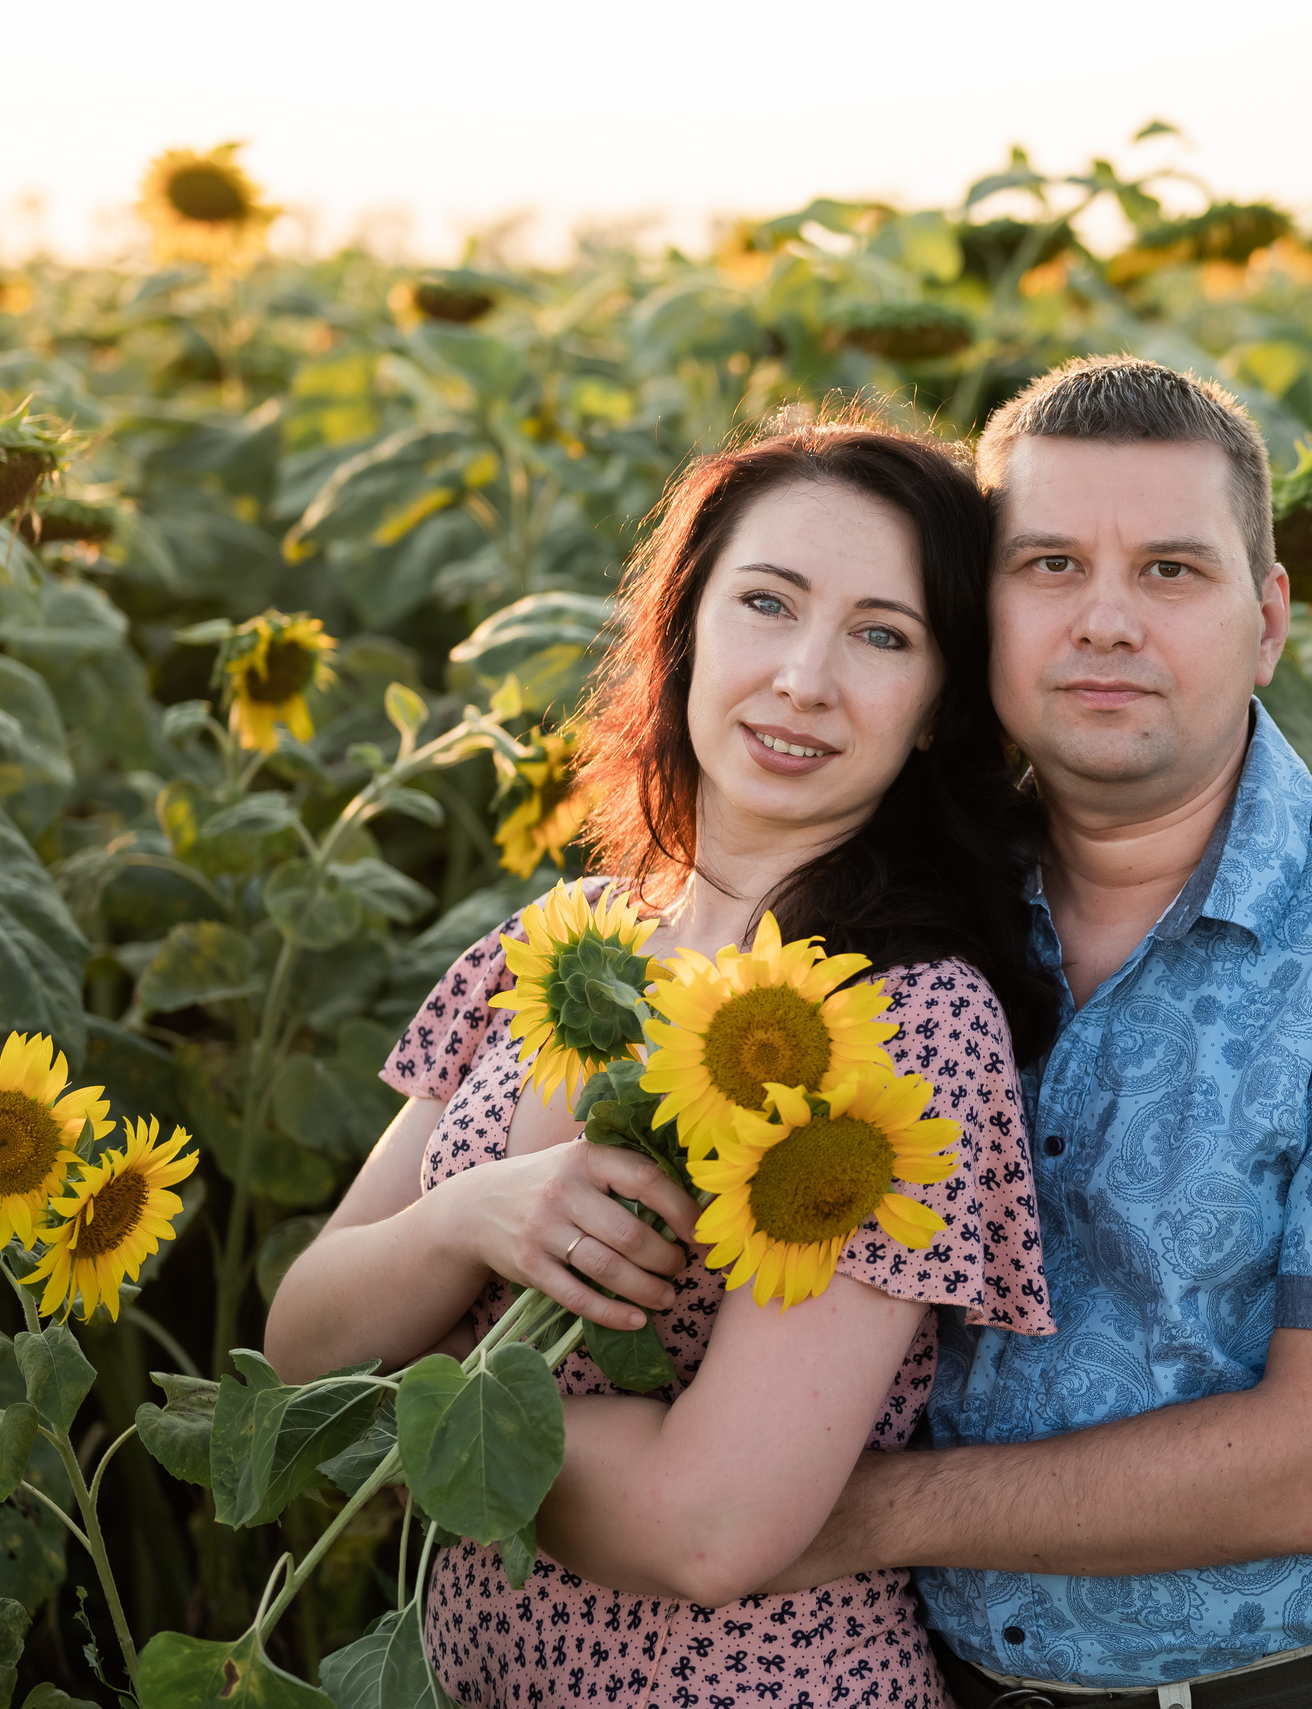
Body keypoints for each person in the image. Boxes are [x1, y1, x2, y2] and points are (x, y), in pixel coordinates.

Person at [769, 357, 1312, 1709]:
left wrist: (827, 1515)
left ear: (1269, 619)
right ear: (979, 615)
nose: (1107, 621)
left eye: (1173, 571)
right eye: (1051, 564)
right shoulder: (885, 918)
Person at [264, 416, 1060, 1708]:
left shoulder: (899, 1026)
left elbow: (713, 1524)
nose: (804, 677)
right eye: (766, 603)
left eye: (882, 635)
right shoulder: (552, 942)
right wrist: (476, 1217)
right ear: (686, 630)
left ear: (936, 710)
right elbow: (302, 1335)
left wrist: (418, 1424)